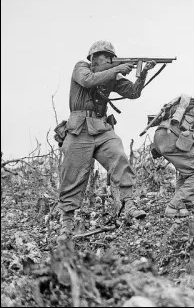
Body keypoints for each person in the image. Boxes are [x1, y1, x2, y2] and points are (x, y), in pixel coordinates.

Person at [57, 40, 156, 243]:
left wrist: (143, 71)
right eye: (105, 56)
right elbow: (88, 80)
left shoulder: (111, 75)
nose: (109, 59)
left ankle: (128, 205)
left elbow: (133, 92)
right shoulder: (81, 68)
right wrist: (117, 69)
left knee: (119, 157)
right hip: (79, 130)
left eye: (111, 56)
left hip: (101, 128)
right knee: (73, 175)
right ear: (93, 57)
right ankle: (66, 224)